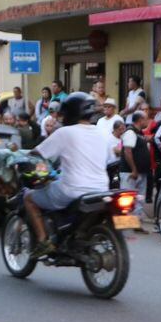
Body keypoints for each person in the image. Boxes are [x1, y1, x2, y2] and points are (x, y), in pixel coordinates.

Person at [27, 94, 114, 253]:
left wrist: (24, 156)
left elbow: (37, 154)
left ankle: (43, 241)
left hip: (72, 190)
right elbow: (107, 159)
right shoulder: (103, 133)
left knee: (29, 198)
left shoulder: (65, 132)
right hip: (101, 189)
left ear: (70, 113)